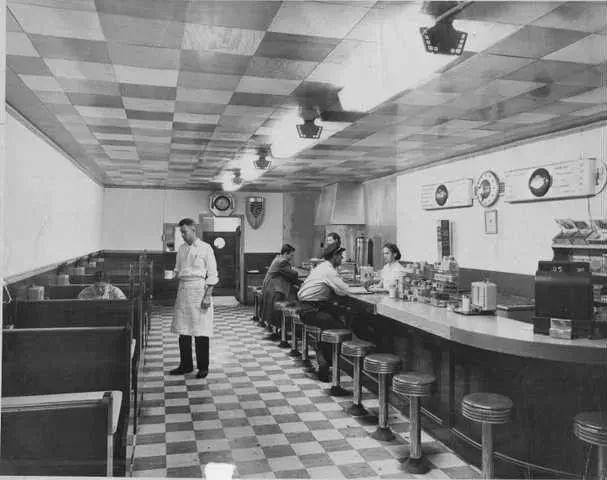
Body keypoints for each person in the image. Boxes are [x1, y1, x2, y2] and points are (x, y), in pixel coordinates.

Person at [169, 218, 219, 379]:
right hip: (184, 290)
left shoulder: (206, 248)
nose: (182, 235)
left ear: (193, 229)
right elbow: (177, 270)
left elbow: (212, 274)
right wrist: (171, 275)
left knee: (200, 331)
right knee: (183, 331)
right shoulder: (181, 249)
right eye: (181, 232)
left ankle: (203, 367)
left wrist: (207, 296)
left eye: (184, 231)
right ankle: (185, 365)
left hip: (199, 291)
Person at [297, 243, 353, 381]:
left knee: (337, 318)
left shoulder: (322, 267)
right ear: (334, 256)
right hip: (310, 309)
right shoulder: (329, 271)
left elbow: (338, 290)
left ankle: (324, 362)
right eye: (340, 256)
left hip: (308, 307)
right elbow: (345, 290)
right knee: (340, 328)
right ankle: (323, 364)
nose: (342, 259)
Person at [259, 244, 301, 328]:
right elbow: (292, 275)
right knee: (278, 309)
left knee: (273, 310)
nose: (292, 257)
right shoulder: (283, 261)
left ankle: (278, 327)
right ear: (286, 253)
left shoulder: (278, 258)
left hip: (270, 286)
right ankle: (283, 327)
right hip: (274, 288)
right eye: (291, 255)